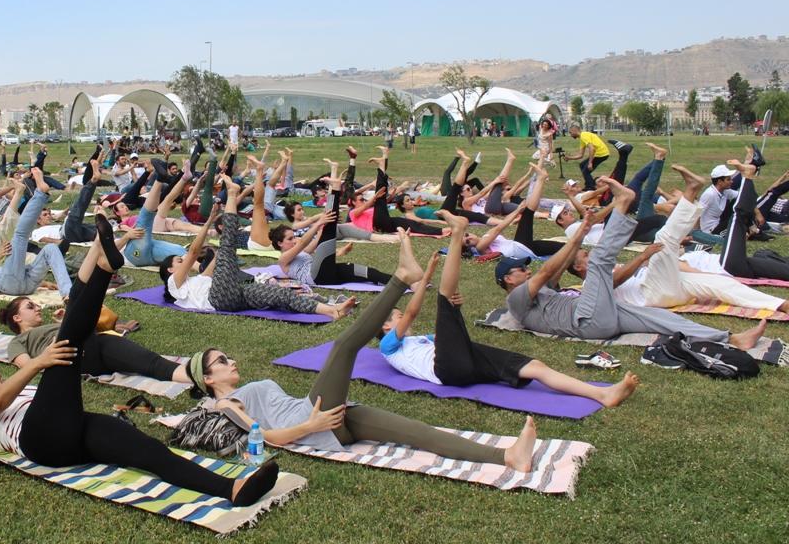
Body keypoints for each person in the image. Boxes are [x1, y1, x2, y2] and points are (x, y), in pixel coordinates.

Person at [0, 222, 280, 507]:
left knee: (148, 451)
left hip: (71, 431)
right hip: (40, 441)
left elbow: (35, 397)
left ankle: (230, 489)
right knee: (66, 344)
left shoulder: (23, 386)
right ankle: (105, 268)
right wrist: (38, 365)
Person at [197, 232, 539, 471]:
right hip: (310, 419)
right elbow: (266, 438)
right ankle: (402, 278)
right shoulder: (226, 403)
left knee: (418, 433)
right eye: (222, 361)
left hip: (322, 416)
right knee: (345, 346)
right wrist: (310, 425)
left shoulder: (241, 392)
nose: (232, 360)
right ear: (208, 378)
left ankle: (506, 457)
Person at [381, 214, 639, 407]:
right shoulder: (389, 346)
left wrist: (454, 311)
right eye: (395, 316)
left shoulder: (421, 339)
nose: (401, 315)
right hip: (446, 371)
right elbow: (414, 311)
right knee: (444, 299)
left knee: (534, 365)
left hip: (463, 361)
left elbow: (452, 338)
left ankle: (602, 394)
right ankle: (457, 232)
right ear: (385, 328)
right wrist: (430, 280)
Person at [499, 175, 767, 349]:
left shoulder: (542, 293)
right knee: (599, 261)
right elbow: (546, 269)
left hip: (602, 314)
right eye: (520, 269)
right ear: (508, 280)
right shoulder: (516, 300)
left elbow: (556, 268)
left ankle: (730, 339)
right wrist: (580, 234)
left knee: (660, 318)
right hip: (586, 321)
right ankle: (623, 202)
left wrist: (580, 236)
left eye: (524, 266)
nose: (526, 269)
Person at [570, 165, 789, 314]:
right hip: (653, 294)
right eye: (585, 256)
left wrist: (654, 261)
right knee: (663, 238)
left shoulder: (602, 269)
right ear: (579, 267)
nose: (590, 255)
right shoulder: (589, 283)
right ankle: (692, 190)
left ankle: (779, 304)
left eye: (587, 252)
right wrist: (642, 258)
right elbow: (614, 281)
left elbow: (632, 273)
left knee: (720, 283)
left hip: (669, 287)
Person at [160, 177, 356, 321]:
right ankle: (232, 193)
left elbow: (217, 262)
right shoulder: (173, 283)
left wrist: (212, 225)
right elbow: (193, 253)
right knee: (228, 243)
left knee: (282, 295)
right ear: (170, 270)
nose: (183, 260)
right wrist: (209, 235)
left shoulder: (196, 281)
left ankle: (332, 310)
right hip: (218, 299)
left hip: (234, 296)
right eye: (178, 261)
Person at [1, 294, 194, 385]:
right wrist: (63, 332)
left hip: (94, 347)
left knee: (148, 361)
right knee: (81, 305)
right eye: (30, 306)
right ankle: (84, 300)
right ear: (17, 318)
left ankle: (193, 376)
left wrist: (64, 323)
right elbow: (27, 366)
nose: (37, 308)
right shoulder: (18, 341)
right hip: (66, 354)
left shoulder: (50, 325)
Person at [0, 169, 73, 298]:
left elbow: (15, 272)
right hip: (7, 284)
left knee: (51, 249)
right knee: (20, 235)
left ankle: (68, 293)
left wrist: (44, 283)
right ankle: (40, 194)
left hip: (27, 283)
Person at [271, 175, 392, 287]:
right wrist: (320, 222)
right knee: (329, 223)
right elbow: (303, 242)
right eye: (290, 239)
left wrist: (321, 229)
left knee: (369, 272)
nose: (294, 240)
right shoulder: (283, 259)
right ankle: (335, 188)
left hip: (329, 274)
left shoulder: (301, 252)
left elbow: (313, 246)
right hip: (316, 277)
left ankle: (405, 283)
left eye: (293, 237)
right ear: (280, 243)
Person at [561, 123, 610, 191]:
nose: (570, 134)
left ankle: (590, 187)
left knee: (586, 171)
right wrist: (569, 158)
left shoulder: (584, 135)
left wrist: (590, 163)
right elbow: (580, 155)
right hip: (600, 154)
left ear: (574, 130)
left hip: (601, 154)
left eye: (570, 132)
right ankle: (590, 184)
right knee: (582, 165)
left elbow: (591, 148)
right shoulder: (582, 138)